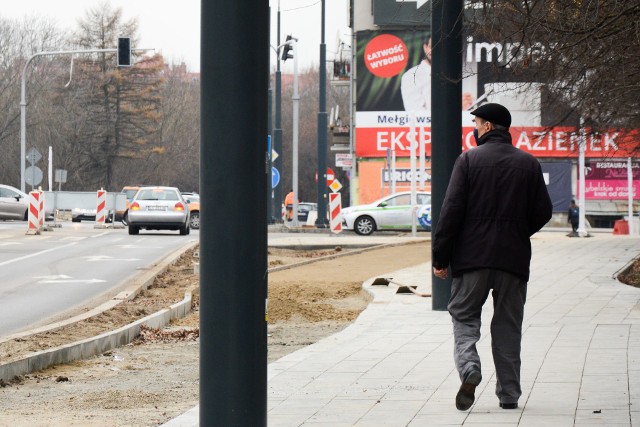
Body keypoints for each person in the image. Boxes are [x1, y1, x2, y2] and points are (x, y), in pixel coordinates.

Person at [431, 103, 552, 411]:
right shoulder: (529, 163)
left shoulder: (468, 160)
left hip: (472, 260)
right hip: (513, 261)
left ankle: (470, 366)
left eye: (476, 122)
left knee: (464, 315)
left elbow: (451, 212)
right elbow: (543, 211)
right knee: (508, 326)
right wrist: (518, 232)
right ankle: (509, 395)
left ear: (486, 127)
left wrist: (441, 257)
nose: (474, 128)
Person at [401, 37, 431, 112]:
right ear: (425, 48)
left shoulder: (452, 74)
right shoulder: (412, 75)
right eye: (432, 47)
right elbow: (416, 113)